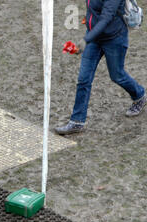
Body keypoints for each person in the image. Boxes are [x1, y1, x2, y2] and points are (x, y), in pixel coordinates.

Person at [55, 0, 146, 135]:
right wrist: (89, 21)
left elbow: (106, 18)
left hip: (114, 39)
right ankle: (77, 122)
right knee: (83, 79)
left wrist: (86, 39)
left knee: (117, 76)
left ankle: (139, 96)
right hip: (94, 38)